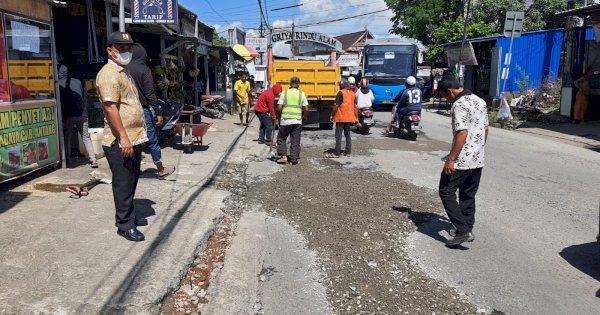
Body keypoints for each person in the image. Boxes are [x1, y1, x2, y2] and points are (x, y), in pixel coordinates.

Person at [96, 32, 148, 242]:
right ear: (110, 50)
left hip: (134, 137)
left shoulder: (123, 72)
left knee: (132, 178)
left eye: (128, 48)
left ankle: (129, 215)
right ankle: (124, 224)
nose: (126, 52)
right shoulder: (109, 74)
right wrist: (124, 138)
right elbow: (110, 108)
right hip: (121, 140)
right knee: (123, 182)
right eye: (121, 48)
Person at [436, 76, 489, 246]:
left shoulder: (458, 105)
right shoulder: (480, 101)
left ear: (450, 92)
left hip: (461, 160)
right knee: (467, 194)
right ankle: (467, 227)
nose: (447, 99)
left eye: (445, 96)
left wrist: (451, 159)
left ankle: (463, 230)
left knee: (446, 190)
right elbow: (486, 129)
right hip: (478, 158)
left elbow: (462, 133)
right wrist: (478, 149)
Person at [129, 44, 174, 179]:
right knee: (152, 139)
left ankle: (132, 169)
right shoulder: (144, 70)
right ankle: (160, 169)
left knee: (132, 140)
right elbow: (150, 93)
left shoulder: (123, 69)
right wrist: (158, 112)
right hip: (142, 110)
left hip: (125, 111)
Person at [58, 65, 97, 168]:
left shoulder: (58, 84)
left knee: (67, 138)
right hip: (82, 114)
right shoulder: (78, 81)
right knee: (86, 137)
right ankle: (93, 160)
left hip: (69, 115)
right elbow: (84, 97)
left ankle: (68, 160)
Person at [276, 77, 310, 165]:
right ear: (298, 84)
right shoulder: (301, 94)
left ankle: (283, 156)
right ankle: (294, 159)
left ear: (290, 84)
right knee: (295, 141)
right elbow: (306, 108)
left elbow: (279, 107)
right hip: (297, 121)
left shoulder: (284, 93)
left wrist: (278, 115)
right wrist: (305, 117)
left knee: (281, 138)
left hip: (286, 120)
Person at [327, 79, 358, 158]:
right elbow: (355, 107)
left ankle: (337, 153)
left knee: (338, 135)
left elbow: (336, 106)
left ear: (341, 85)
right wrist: (356, 118)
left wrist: (332, 115)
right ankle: (348, 152)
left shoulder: (340, 93)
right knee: (347, 134)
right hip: (349, 117)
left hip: (341, 118)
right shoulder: (352, 93)